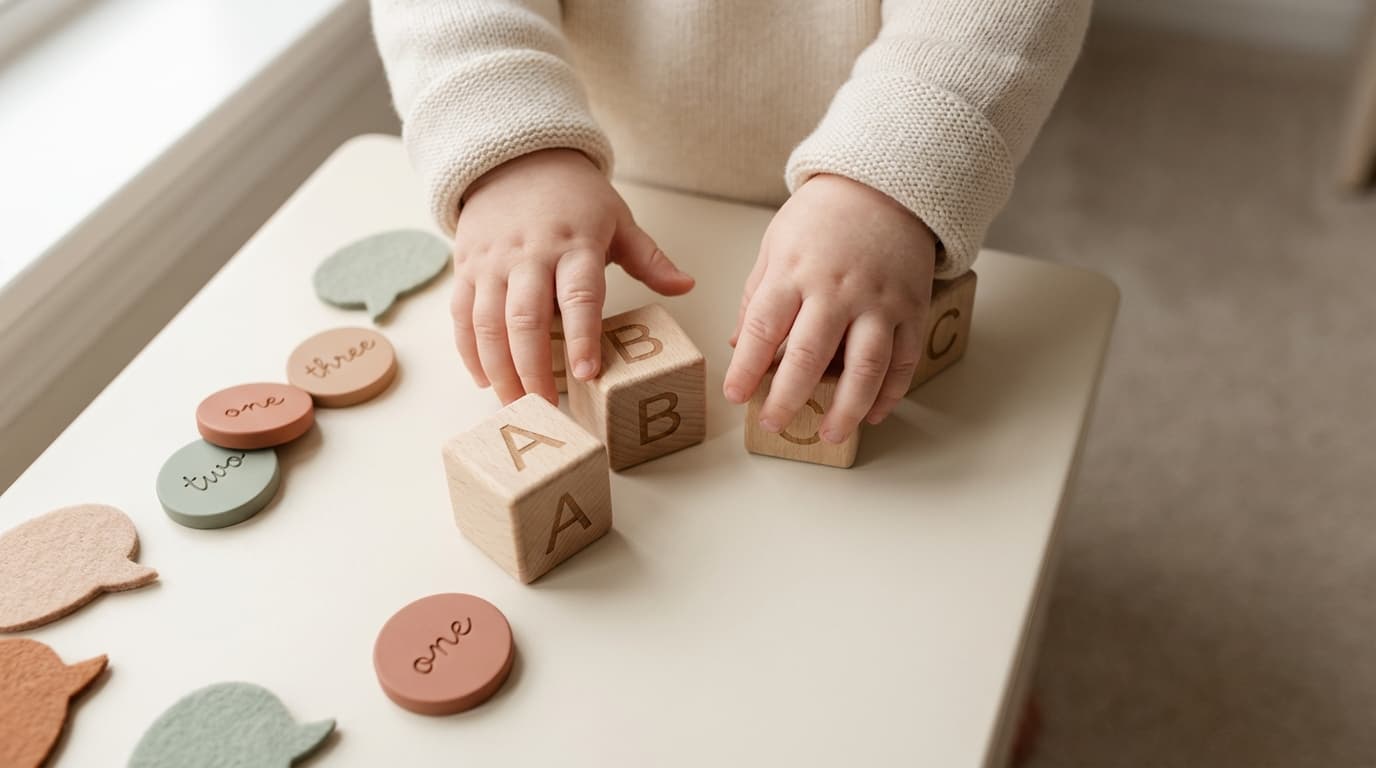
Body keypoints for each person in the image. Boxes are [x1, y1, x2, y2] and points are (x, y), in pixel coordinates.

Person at [371, 0, 1089, 444]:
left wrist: (884, 177)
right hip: (602, 192)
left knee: (965, 460)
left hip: (885, 198)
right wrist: (508, 144)